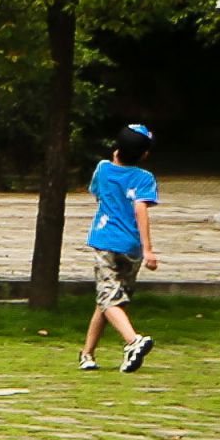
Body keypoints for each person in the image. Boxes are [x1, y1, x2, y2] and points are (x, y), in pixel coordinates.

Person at [78, 124, 159, 372]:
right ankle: (87, 354)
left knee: (109, 299)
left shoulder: (102, 169)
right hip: (131, 247)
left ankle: (133, 341)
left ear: (116, 148)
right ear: (144, 155)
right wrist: (148, 249)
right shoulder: (144, 179)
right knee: (111, 298)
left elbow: (97, 192)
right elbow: (140, 209)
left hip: (105, 241)